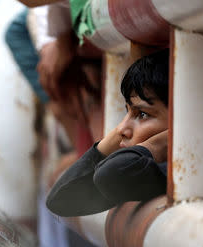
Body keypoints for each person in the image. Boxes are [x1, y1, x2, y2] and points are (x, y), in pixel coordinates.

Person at [47, 49, 169, 217]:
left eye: (142, 114)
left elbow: (112, 172)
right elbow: (60, 199)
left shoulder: (165, 171)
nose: (121, 129)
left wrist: (168, 140)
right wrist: (105, 146)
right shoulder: (142, 171)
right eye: (127, 112)